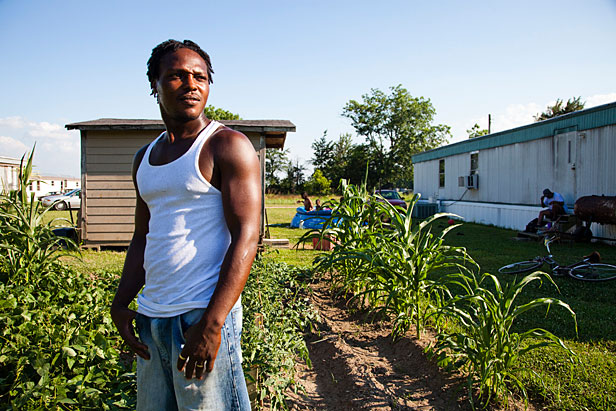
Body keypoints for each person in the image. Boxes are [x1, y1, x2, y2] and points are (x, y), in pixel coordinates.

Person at [110, 39, 260, 410]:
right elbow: (142, 238)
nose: (191, 84)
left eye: (200, 77)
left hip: (201, 313)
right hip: (152, 316)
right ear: (154, 85)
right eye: (176, 76)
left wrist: (212, 323)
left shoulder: (226, 145)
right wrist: (120, 303)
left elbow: (247, 235)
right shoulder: (144, 158)